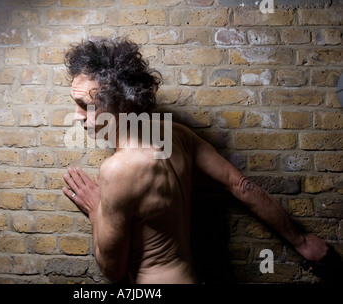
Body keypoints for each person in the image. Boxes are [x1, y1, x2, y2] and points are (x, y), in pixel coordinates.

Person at [61, 37, 328, 284]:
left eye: (86, 105)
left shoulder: (117, 169)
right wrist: (302, 241)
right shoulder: (176, 135)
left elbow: (113, 271)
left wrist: (97, 210)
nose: (77, 116)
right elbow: (242, 187)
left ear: (123, 104)